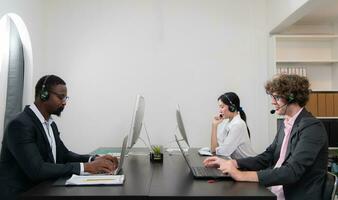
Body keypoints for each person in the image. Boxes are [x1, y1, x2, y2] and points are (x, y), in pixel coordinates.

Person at [204, 74, 328, 200]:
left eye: (277, 97)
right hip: (275, 192)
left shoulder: (312, 128)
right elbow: (268, 156)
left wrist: (241, 175)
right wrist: (233, 163)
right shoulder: (287, 123)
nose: (273, 101)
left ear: (292, 98)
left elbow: (292, 172)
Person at [0, 75, 119, 200]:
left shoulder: (50, 124)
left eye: (65, 97)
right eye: (60, 97)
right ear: (43, 94)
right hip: (22, 194)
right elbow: (37, 170)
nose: (64, 102)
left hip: (43, 190)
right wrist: (86, 167)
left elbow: (64, 155)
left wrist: (93, 159)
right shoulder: (20, 125)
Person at [210, 92, 256, 159]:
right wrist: (214, 125)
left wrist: (214, 126)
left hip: (248, 165)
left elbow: (220, 152)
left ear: (232, 107)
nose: (220, 111)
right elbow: (215, 149)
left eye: (222, 107)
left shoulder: (238, 125)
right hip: (240, 164)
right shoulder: (228, 122)